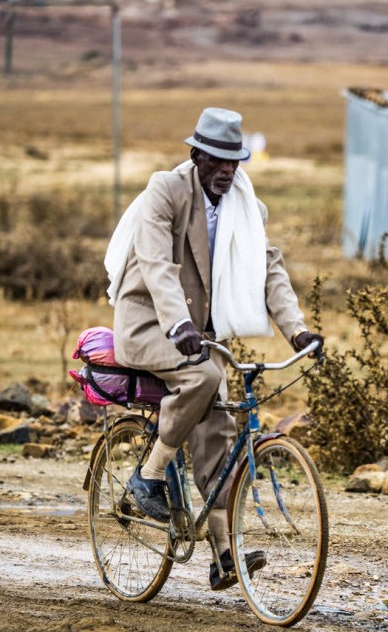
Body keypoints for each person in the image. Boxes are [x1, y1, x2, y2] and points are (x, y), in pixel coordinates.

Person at [105, 107, 323, 590]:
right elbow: (157, 264)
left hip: (196, 336)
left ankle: (224, 557)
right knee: (204, 378)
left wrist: (299, 331)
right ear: (196, 155)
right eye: (218, 159)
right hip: (147, 323)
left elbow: (270, 273)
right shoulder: (165, 191)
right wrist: (178, 322)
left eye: (235, 160)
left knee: (219, 425)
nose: (228, 169)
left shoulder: (248, 209)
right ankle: (149, 473)